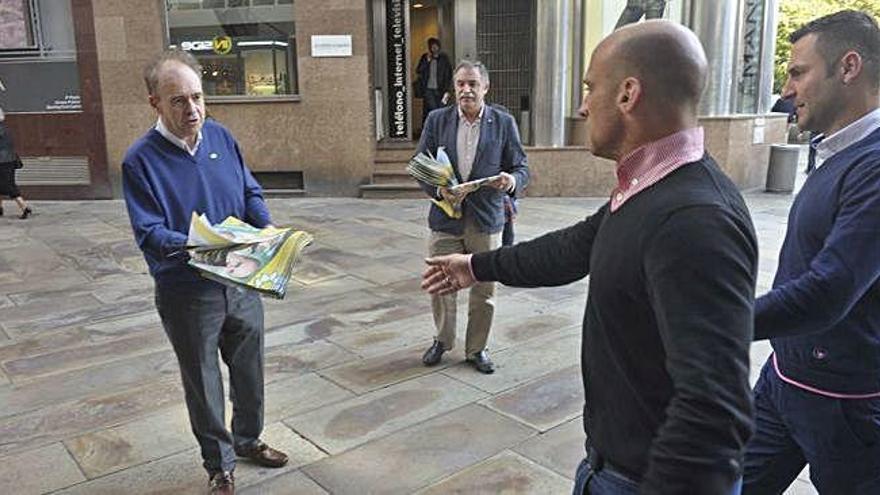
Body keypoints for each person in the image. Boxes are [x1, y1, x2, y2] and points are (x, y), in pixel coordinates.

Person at [422, 21, 756, 494]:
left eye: (589, 87)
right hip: (608, 465)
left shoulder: (695, 218)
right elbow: (574, 248)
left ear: (627, 94)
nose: (582, 105)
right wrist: (475, 267)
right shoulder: (653, 186)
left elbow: (713, 415)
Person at [121, 49, 287, 495]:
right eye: (178, 101)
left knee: (249, 370)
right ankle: (220, 464)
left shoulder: (221, 137)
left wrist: (265, 226)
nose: (192, 109)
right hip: (188, 291)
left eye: (197, 97)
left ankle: (249, 440)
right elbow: (149, 232)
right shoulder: (140, 160)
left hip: (241, 277)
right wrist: (197, 245)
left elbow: (250, 191)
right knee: (204, 380)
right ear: (154, 101)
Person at [742, 11, 880, 494]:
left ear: (848, 67)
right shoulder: (837, 151)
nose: (786, 89)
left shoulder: (874, 165)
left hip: (844, 404)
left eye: (798, 72)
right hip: (783, 381)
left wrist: (714, 322)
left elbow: (830, 288)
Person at [417, 60, 529, 374]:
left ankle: (477, 349)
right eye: (461, 85)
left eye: (472, 84)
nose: (466, 90)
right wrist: (439, 192)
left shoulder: (503, 122)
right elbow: (420, 162)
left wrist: (512, 181)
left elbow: (521, 166)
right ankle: (442, 339)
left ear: (485, 88)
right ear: (454, 88)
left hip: (486, 218)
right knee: (440, 282)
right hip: (445, 218)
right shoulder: (437, 120)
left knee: (485, 287)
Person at [0, 107, 33, 219]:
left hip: (2, 161)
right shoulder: (5, 129)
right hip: (9, 160)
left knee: (9, 186)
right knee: (3, 184)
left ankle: (24, 207)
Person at [415, 37, 453, 127]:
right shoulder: (425, 57)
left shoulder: (444, 58)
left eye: (435, 46)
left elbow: (448, 74)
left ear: (439, 47)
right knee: (433, 109)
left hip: (441, 90)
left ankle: (438, 129)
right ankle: (434, 129)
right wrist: (427, 61)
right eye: (432, 47)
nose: (434, 48)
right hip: (428, 89)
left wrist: (448, 90)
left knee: (441, 108)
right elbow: (419, 70)